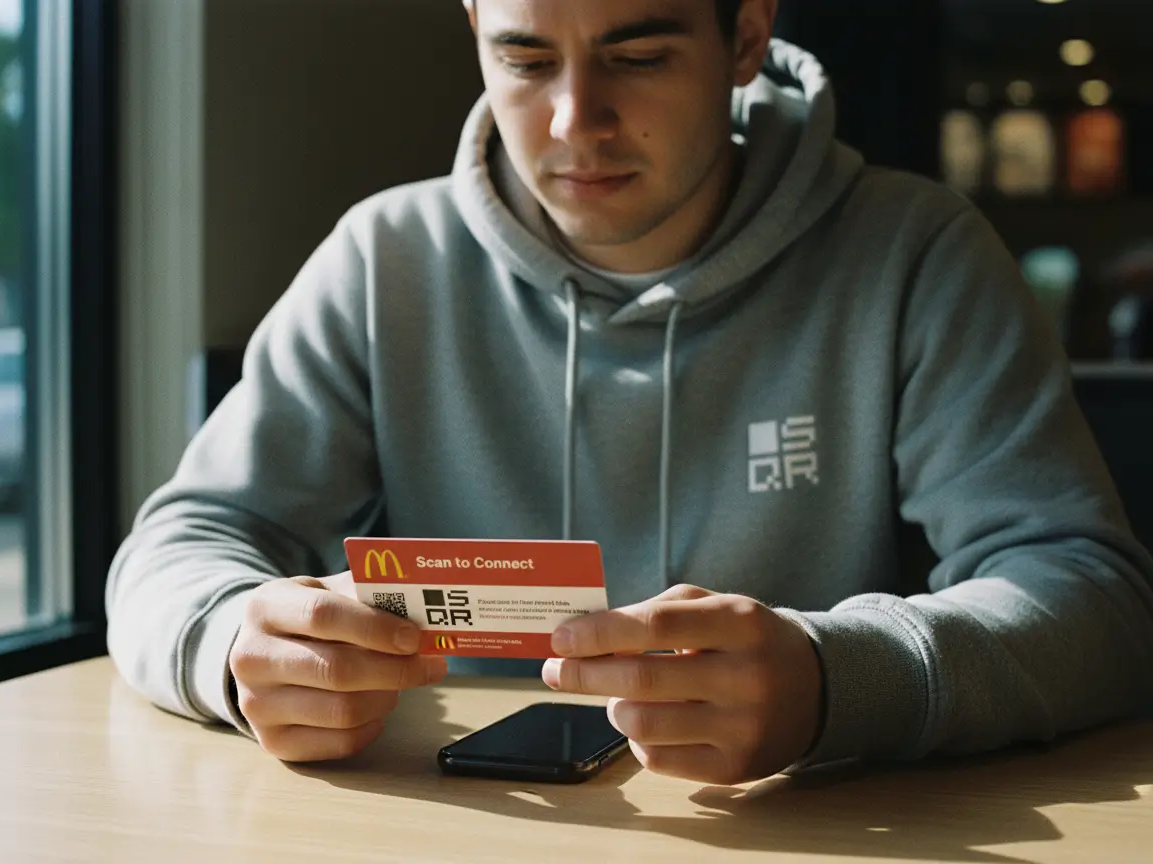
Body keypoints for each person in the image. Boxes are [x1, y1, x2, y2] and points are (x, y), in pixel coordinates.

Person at [106, 0, 1153, 786]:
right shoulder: (386, 260)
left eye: (637, 56)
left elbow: (1093, 599)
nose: (574, 121)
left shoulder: (912, 254)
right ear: (473, 26)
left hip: (797, 836)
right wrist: (230, 644)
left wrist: (840, 681)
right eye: (521, 58)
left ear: (744, 34)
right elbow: (182, 543)